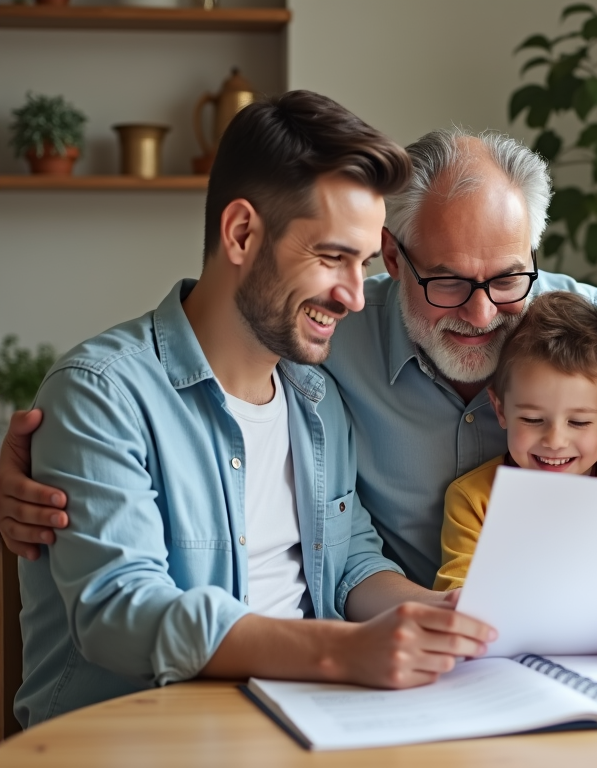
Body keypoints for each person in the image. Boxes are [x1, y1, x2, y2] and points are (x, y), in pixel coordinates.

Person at [0, 130, 597, 633]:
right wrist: (34, 456)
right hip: (398, 662)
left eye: (507, 279)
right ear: (394, 258)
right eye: (443, 283)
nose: (481, 312)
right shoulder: (325, 347)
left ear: (537, 262)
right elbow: (175, 377)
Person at [13, 92, 494, 728]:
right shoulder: (102, 394)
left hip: (303, 726)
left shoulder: (318, 400)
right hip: (131, 740)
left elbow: (349, 560)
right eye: (331, 258)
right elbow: (119, 611)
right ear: (241, 233)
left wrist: (437, 612)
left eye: (364, 264)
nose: (355, 295)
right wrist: (345, 652)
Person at [433, 291, 597, 592]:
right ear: (500, 409)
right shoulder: (474, 499)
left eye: (579, 422)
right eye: (532, 419)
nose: (555, 441)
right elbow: (456, 595)